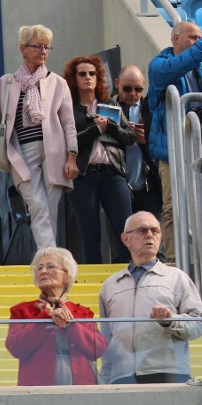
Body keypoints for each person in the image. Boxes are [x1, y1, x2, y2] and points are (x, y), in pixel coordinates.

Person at [148, 21, 202, 262]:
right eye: (193, 37)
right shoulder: (159, 66)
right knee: (174, 207)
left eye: (200, 38)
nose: (198, 41)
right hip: (174, 149)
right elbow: (172, 69)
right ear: (175, 39)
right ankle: (176, 262)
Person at [0, 25, 78, 250]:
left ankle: (48, 259)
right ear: (23, 49)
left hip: (54, 152)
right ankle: (52, 259)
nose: (43, 51)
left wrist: (72, 156)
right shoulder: (6, 83)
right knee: (37, 205)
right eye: (38, 46)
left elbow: (68, 124)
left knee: (50, 209)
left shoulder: (58, 82)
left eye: (47, 47)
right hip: (21, 152)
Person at [99, 212, 202, 384]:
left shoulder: (176, 277)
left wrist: (171, 320)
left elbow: (199, 323)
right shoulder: (110, 285)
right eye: (142, 230)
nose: (150, 235)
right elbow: (106, 339)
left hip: (168, 371)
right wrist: (105, 380)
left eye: (155, 231)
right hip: (122, 375)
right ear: (126, 239)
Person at [63, 56, 134, 265]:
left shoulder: (110, 104)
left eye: (92, 73)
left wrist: (110, 126)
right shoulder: (69, 109)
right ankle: (94, 283)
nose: (88, 78)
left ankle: (129, 276)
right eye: (82, 74)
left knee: (125, 229)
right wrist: (96, 130)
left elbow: (129, 138)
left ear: (99, 77)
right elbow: (67, 142)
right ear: (74, 79)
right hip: (83, 175)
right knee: (90, 233)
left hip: (112, 172)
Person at [6, 247, 108, 386]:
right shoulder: (22, 310)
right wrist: (45, 317)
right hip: (38, 388)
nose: (43, 271)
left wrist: (70, 325)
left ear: (67, 276)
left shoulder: (82, 312)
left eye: (50, 266)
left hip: (81, 384)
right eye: (39, 268)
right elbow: (15, 347)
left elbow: (98, 348)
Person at [115, 64, 162, 219]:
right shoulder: (109, 108)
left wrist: (147, 141)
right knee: (122, 235)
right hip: (118, 184)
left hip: (149, 184)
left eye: (138, 89)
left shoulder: (151, 109)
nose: (133, 94)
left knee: (151, 232)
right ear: (117, 84)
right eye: (127, 88)